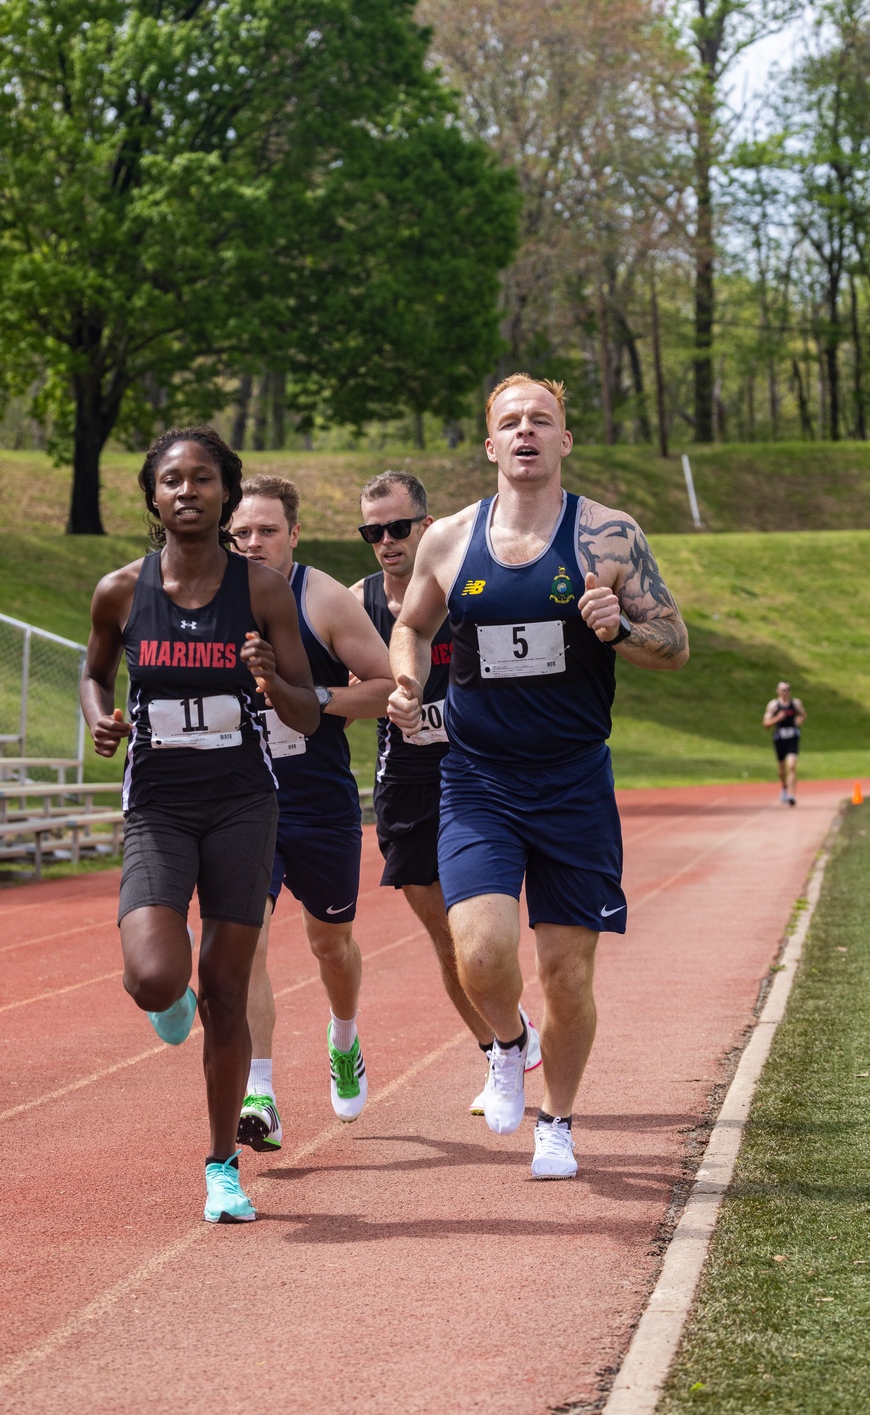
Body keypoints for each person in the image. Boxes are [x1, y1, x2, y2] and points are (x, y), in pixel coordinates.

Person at [387, 374, 689, 1179]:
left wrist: (619, 625)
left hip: (573, 783)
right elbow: (410, 623)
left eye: (541, 421)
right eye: (510, 422)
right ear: (490, 445)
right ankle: (508, 1047)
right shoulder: (449, 539)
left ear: (563, 441)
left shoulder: (609, 536)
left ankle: (557, 1119)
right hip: (479, 780)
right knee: (479, 952)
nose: (526, 433)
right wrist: (408, 681)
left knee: (566, 969)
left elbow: (674, 641)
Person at [80, 428, 319, 1225]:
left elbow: (308, 712)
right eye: (173, 479)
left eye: (204, 479)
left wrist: (270, 677)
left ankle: (222, 1165)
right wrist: (98, 720)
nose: (188, 491)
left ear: (225, 491)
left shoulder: (260, 591)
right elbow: (93, 671)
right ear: (152, 495)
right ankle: (166, 1001)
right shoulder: (120, 589)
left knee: (225, 988)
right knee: (154, 975)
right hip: (159, 804)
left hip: (243, 803)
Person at [350, 471, 541, 1112]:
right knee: (442, 935)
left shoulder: (466, 590)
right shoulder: (358, 603)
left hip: (481, 773)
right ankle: (499, 1050)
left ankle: (507, 1046)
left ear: (426, 527)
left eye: (398, 528)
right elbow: (337, 692)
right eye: (372, 532)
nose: (386, 542)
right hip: (402, 781)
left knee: (486, 928)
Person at [228, 475, 394, 1151]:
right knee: (247, 943)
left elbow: (385, 687)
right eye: (239, 533)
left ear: (293, 533)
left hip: (318, 800)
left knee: (331, 945)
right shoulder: (209, 600)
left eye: (266, 529)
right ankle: (260, 1092)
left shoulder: (321, 597)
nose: (252, 543)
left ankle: (345, 1036)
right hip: (243, 801)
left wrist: (307, 697)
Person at [763, 682, 806, 805]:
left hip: (792, 738)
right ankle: (784, 788)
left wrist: (799, 721)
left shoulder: (796, 703)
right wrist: (777, 719)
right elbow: (766, 724)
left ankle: (792, 795)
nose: (786, 692)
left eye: (788, 689)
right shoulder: (773, 706)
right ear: (778, 691)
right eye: (783, 690)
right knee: (782, 768)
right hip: (780, 739)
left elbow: (803, 715)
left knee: (792, 765)